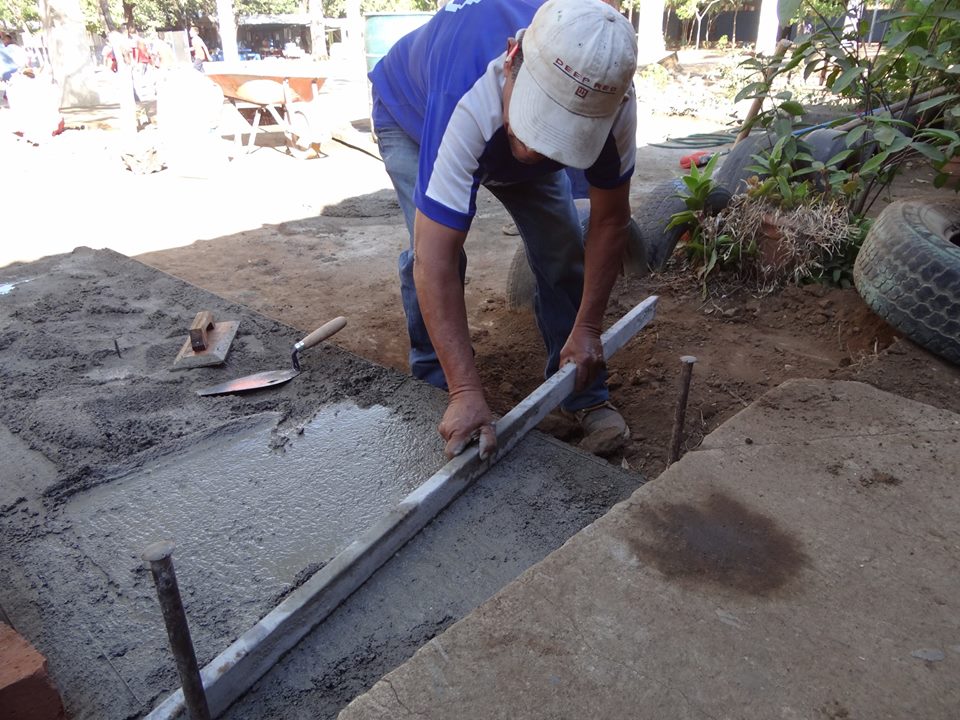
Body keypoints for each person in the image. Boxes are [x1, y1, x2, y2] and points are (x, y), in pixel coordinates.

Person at [369, 0, 639, 459]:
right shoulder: (468, 84)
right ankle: (438, 390)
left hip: (494, 112)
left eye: (561, 132)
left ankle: (582, 392)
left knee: (562, 245)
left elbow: (610, 219)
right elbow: (435, 258)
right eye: (538, 121)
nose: (534, 154)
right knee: (430, 255)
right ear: (512, 59)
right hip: (413, 116)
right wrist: (466, 391)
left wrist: (590, 326)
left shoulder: (612, 99)